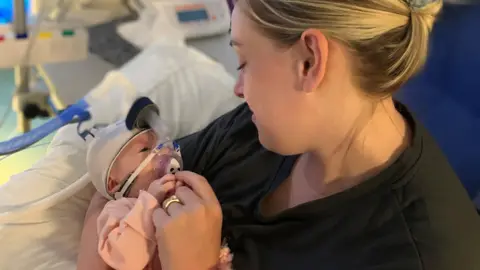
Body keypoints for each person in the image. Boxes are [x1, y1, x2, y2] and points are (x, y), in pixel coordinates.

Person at [78, 0, 480, 269]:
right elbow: (116, 189)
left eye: (244, 61)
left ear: (310, 61)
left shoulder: (418, 255)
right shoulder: (250, 133)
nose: (238, 88)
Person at [83, 121, 233, 270]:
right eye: (145, 149)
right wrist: (149, 202)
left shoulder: (180, 187)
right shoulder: (118, 210)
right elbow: (124, 258)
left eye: (161, 143)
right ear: (113, 183)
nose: (164, 151)